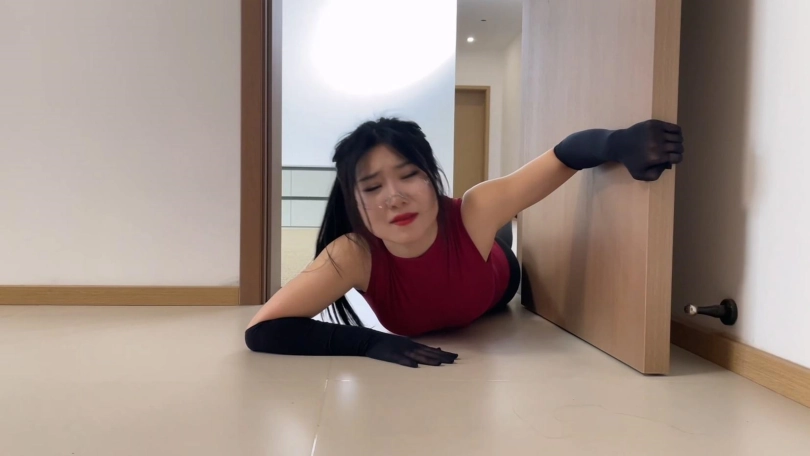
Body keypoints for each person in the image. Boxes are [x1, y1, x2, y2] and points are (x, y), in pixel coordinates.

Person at [245, 117, 684, 368]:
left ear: (431, 177)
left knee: (493, 226)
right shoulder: (353, 253)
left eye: (409, 175)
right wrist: (369, 343)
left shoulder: (474, 209)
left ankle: (499, 236)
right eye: (373, 186)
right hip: (462, 258)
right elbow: (263, 330)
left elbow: (564, 156)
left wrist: (619, 142)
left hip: (496, 274)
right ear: (354, 202)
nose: (394, 197)